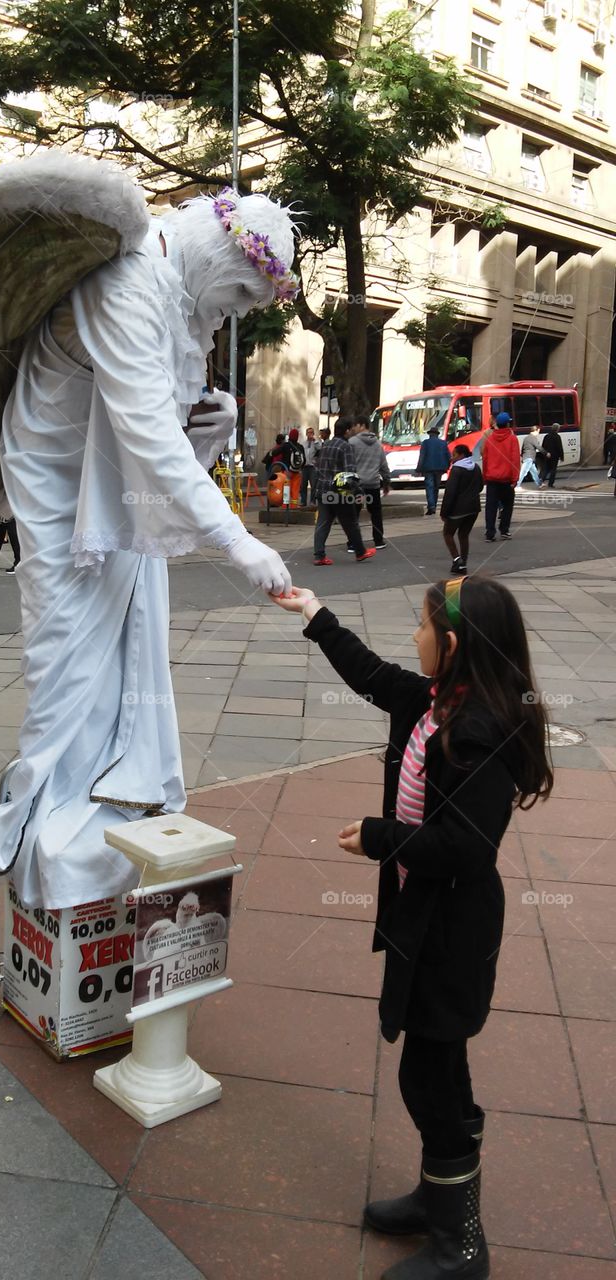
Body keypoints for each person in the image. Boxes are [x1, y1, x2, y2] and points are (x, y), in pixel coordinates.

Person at [0, 160, 294, 910]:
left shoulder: (177, 301)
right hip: (61, 493)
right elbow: (149, 441)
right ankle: (42, 835)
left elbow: (156, 444)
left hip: (108, 500)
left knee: (132, 651)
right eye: (235, 296)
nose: (226, 316)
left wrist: (213, 431)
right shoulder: (129, 287)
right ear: (216, 260)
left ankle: (108, 804)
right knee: (64, 666)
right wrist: (239, 541)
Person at [271, 575, 552, 1280]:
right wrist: (313, 613)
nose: (414, 638)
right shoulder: (436, 700)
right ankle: (439, 1198)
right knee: (438, 1066)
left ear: (451, 646)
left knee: (428, 1076)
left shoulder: (477, 731)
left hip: (452, 933)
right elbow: (369, 674)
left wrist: (377, 836)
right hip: (422, 920)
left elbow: (465, 849)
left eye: (422, 627)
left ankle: (462, 1245)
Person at [313, 418, 374, 566]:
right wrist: (358, 491)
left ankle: (319, 555)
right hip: (340, 491)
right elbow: (350, 472)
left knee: (323, 522)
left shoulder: (325, 445)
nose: (352, 431)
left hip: (323, 489)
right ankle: (360, 552)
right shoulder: (345, 447)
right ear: (347, 431)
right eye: (351, 429)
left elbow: (318, 466)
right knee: (350, 522)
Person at [348, 413, 391, 550]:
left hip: (357, 485)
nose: (353, 428)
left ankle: (353, 543)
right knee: (376, 513)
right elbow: (383, 465)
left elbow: (348, 464)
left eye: (355, 425)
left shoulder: (352, 442)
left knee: (354, 514)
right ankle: (378, 541)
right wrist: (386, 482)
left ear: (362, 425)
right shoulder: (378, 444)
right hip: (373, 483)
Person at [439, 444, 482, 575]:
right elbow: (480, 486)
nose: (452, 458)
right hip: (474, 508)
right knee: (464, 535)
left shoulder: (456, 469)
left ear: (461, 455)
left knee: (448, 533)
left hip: (458, 509)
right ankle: (463, 563)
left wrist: (444, 512)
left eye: (454, 455)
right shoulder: (475, 467)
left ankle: (457, 560)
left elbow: (450, 492)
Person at [482, 410, 520, 541]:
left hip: (492, 478)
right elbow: (515, 459)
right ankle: (504, 529)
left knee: (490, 507)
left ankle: (490, 532)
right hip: (506, 479)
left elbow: (485, 459)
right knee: (507, 505)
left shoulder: (489, 439)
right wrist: (515, 478)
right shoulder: (512, 439)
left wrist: (485, 476)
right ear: (508, 424)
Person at [415, 426, 451, 515]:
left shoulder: (425, 443)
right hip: (440, 468)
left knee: (429, 487)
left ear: (430, 434)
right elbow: (448, 456)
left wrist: (419, 468)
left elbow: (422, 457)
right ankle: (433, 504)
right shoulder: (443, 443)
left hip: (428, 468)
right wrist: (447, 466)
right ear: (437, 434)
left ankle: (431, 507)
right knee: (436, 487)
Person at [540, 422, 564, 488]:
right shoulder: (557, 437)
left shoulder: (546, 436)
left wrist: (545, 454)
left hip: (547, 455)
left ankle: (542, 479)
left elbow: (543, 446)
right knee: (553, 469)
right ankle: (550, 483)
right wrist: (562, 457)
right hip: (555, 456)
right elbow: (559, 447)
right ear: (557, 429)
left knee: (546, 469)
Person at [301, 426, 319, 507]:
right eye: (308, 433)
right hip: (305, 466)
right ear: (306, 434)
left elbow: (320, 449)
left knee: (313, 485)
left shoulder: (316, 443)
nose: (310, 434)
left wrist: (314, 441)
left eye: (311, 433)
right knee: (303, 485)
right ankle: (303, 501)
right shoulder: (303, 443)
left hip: (312, 467)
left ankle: (313, 501)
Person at [286, 427, 306, 505]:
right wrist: (300, 468)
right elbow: (304, 460)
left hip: (287, 471)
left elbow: (276, 452)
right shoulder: (300, 447)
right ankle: (294, 505)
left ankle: (285, 505)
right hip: (297, 472)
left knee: (286, 488)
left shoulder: (286, 445)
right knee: (295, 489)